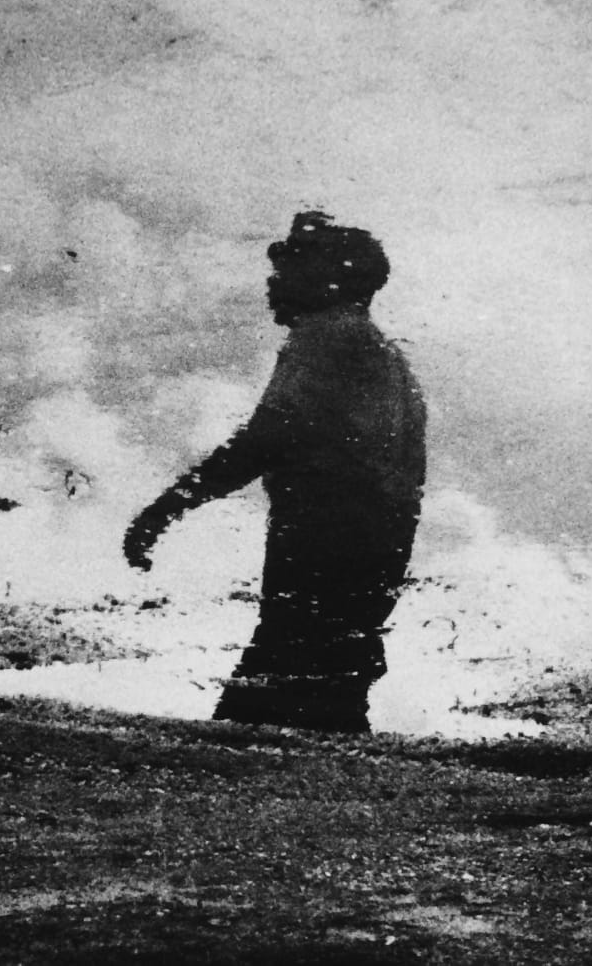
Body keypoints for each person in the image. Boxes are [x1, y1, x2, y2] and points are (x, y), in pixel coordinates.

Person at [123, 211, 426, 733]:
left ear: (325, 280)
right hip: (377, 540)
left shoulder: (327, 338)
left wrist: (165, 509)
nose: (272, 283)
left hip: (324, 537)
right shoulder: (387, 356)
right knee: (327, 689)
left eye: (288, 271)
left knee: (270, 695)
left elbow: (266, 439)